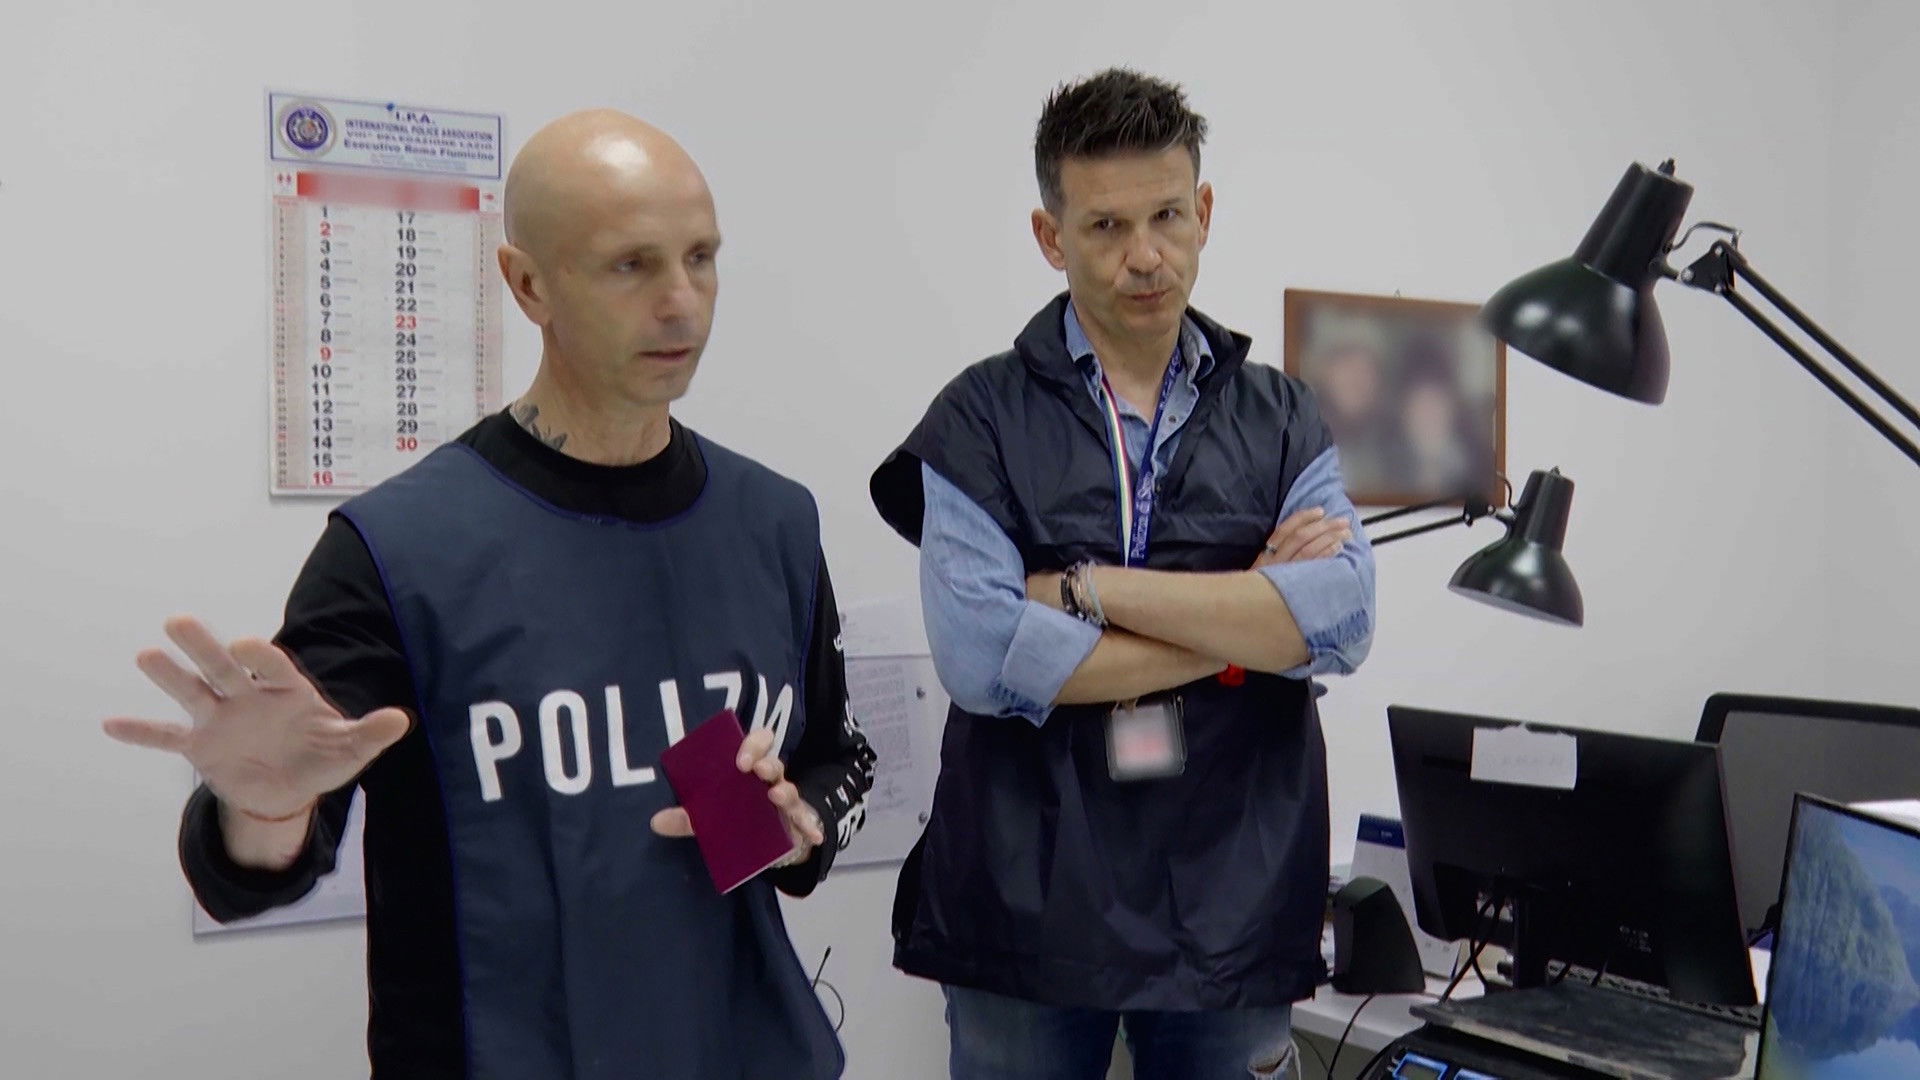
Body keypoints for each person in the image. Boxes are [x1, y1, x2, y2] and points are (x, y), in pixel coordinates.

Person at [103, 109, 876, 1080]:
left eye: (701, 258)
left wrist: (791, 825)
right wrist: (263, 811)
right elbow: (254, 872)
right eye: (631, 265)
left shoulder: (774, 522)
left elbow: (837, 757)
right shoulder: (397, 551)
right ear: (527, 284)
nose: (682, 303)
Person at [869, 69, 1377, 1079]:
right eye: (1105, 226)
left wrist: (1083, 592)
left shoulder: (1282, 417)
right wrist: (1244, 622)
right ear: (1050, 237)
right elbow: (984, 658)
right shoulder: (979, 419)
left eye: (1167, 216)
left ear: (1205, 213)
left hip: (1234, 894)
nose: (1145, 255)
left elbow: (1342, 620)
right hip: (1028, 894)